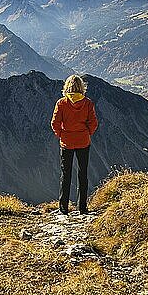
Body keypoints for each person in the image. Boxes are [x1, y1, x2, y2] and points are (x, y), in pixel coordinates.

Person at [50, 75, 98, 215]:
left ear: (67, 87)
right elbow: (93, 122)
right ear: (82, 87)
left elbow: (55, 123)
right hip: (83, 141)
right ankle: (82, 208)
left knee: (66, 174)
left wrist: (62, 135)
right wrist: (87, 133)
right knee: (83, 174)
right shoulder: (88, 103)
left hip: (67, 142)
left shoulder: (62, 103)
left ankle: (63, 208)